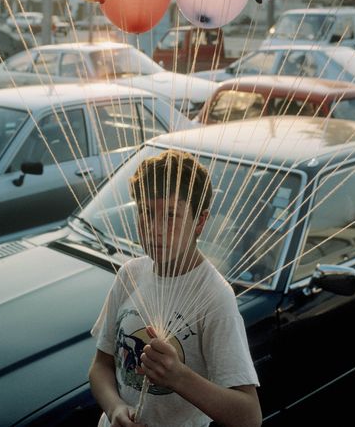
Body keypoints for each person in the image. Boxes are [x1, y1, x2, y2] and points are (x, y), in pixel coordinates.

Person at [89, 150, 262, 427]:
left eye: (171, 215)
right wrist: (115, 408)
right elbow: (100, 366)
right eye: (145, 212)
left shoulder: (215, 297)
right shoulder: (130, 275)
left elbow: (249, 416)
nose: (155, 228)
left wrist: (179, 377)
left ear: (200, 222)